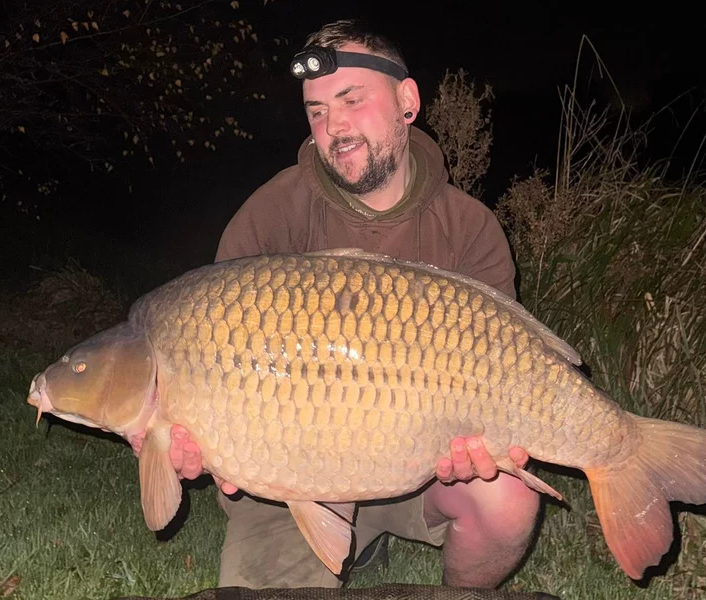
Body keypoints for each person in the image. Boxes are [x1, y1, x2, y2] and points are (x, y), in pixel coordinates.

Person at [130, 18, 541, 591]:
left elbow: (505, 373)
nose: (334, 126)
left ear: (407, 101)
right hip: (288, 478)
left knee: (507, 499)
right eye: (317, 112)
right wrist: (187, 441)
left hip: (417, 466)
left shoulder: (470, 230)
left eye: (351, 100)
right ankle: (346, 543)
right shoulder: (271, 214)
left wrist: (482, 449)